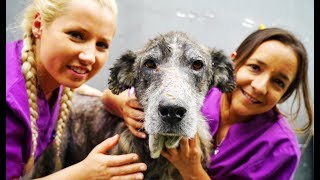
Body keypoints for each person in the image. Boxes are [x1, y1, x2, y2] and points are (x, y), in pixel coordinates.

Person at [100, 27, 313, 179]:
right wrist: (125, 107)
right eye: (255, 67)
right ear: (232, 64)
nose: (260, 86)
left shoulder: (281, 149)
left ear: (285, 93)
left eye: (278, 82)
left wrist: (192, 171)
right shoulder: (207, 92)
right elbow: (109, 95)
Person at [6, 0, 147, 179]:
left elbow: (91, 92)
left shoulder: (49, 78)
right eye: (76, 35)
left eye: (102, 45)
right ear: (38, 24)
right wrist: (83, 174)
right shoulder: (10, 101)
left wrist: (122, 103)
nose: (89, 57)